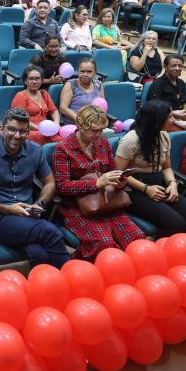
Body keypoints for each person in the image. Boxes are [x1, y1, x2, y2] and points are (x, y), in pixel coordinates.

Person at [0, 107, 68, 267]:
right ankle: (69, 276)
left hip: (28, 214)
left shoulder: (35, 150)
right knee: (51, 232)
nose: (17, 136)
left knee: (39, 254)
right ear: (1, 129)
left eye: (22, 131)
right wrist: (8, 209)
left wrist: (39, 204)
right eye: (12, 130)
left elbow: (49, 183)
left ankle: (44, 289)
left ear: (28, 132)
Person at [52, 105, 144, 259]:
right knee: (104, 245)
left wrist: (120, 179)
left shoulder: (103, 144)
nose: (98, 134)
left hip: (106, 201)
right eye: (93, 130)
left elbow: (112, 171)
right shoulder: (63, 149)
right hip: (77, 206)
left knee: (137, 238)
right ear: (79, 126)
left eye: (101, 130)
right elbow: (62, 187)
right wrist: (96, 183)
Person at [116, 101, 186, 235]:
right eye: (170, 117)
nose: (174, 120)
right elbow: (119, 173)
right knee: (176, 224)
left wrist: (173, 184)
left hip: (158, 182)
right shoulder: (131, 140)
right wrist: (146, 189)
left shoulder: (164, 136)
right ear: (157, 120)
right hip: (134, 187)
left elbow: (166, 167)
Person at [147, 54, 186, 130]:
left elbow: (184, 102)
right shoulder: (158, 84)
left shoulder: (181, 82)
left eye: (180, 66)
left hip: (180, 117)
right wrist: (179, 116)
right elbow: (156, 108)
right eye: (173, 65)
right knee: (183, 132)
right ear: (165, 67)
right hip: (163, 118)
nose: (177, 68)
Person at [11, 65, 62, 145]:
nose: (34, 82)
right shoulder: (20, 96)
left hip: (47, 129)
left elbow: (54, 111)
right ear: (25, 81)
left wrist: (56, 124)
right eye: (31, 79)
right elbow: (21, 119)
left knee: (67, 135)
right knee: (57, 140)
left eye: (37, 79)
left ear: (42, 81)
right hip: (28, 130)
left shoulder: (44, 93)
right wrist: (40, 129)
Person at [59, 57, 105, 126]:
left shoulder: (99, 84)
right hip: (73, 125)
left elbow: (102, 107)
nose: (85, 74)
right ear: (78, 72)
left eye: (89, 71)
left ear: (95, 72)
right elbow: (63, 108)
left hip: (94, 125)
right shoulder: (70, 84)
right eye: (82, 71)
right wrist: (82, 122)